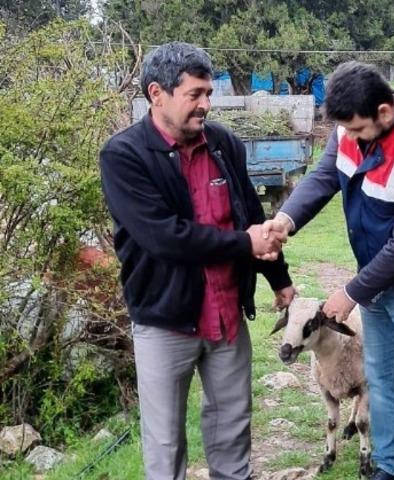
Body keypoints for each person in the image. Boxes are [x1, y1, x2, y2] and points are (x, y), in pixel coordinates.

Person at [99, 42, 296, 479]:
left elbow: (249, 216)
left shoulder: (224, 143)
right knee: (166, 447)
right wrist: (245, 244)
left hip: (226, 316)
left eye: (209, 93)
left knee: (232, 435)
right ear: (157, 93)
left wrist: (277, 277)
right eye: (195, 94)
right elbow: (166, 238)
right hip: (165, 321)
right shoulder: (124, 155)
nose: (206, 104)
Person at [263, 61, 394, 480]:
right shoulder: (348, 127)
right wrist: (285, 219)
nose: (349, 139)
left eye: (357, 130)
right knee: (381, 379)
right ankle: (389, 468)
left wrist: (351, 292)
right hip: (376, 287)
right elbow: (323, 177)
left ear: (385, 113)